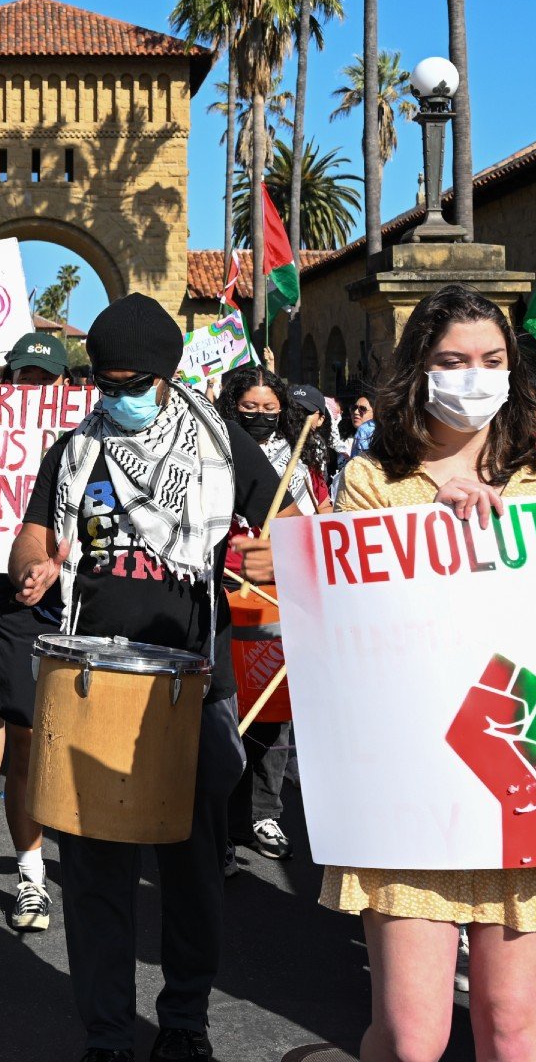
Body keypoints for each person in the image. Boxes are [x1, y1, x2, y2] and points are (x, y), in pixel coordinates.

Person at [244, 285, 536, 1062]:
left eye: (490, 360)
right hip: (416, 780)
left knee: (514, 1033)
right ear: (420, 370)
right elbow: (352, 627)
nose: (472, 376)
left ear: (514, 370)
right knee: (414, 1038)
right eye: (452, 360)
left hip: (528, 774)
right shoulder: (374, 482)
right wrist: (419, 528)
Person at [12, 294, 280, 1062]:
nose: (117, 396)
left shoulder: (222, 443)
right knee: (96, 874)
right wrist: (33, 567)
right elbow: (33, 535)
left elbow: (289, 522)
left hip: (193, 684)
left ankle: (186, 1021)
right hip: (93, 682)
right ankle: (106, 1033)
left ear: (166, 377)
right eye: (105, 382)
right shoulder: (73, 452)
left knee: (191, 869)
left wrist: (273, 553)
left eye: (134, 382)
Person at [0, 329, 75, 929]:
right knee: (22, 741)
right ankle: (31, 874)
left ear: (65, 384)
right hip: (13, 608)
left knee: (70, 743)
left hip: (81, 608)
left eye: (45, 377)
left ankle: (93, 868)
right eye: (24, 375)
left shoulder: (87, 442)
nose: (33, 386)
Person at [216, 366, 318, 866]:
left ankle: (264, 813)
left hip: (276, 599)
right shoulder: (214, 453)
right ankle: (220, 825)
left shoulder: (296, 464)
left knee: (274, 714)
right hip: (223, 593)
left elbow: (309, 534)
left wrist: (279, 553)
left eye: (269, 409)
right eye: (249, 408)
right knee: (224, 713)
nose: (259, 417)